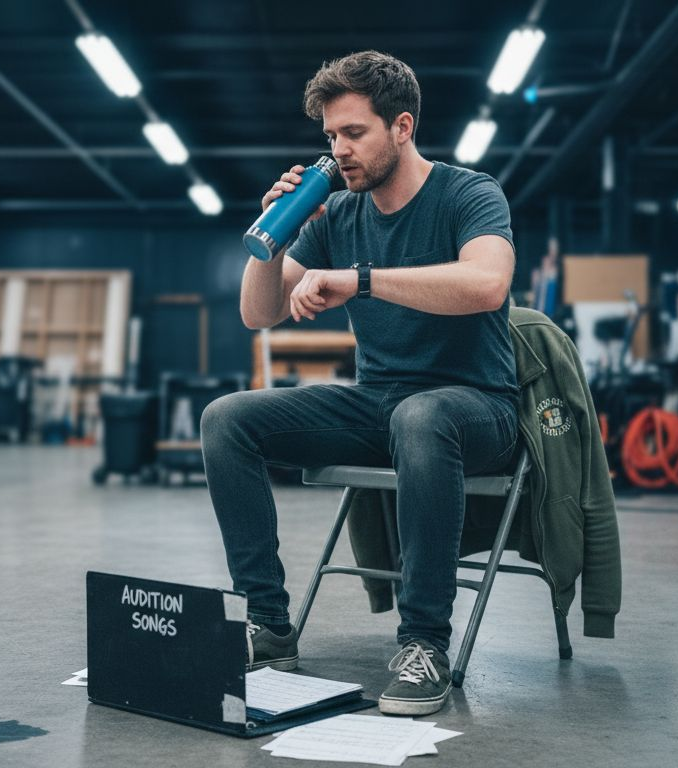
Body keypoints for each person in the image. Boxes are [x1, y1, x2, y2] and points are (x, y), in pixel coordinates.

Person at [200, 50, 519, 717]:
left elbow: (488, 284)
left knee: (422, 416)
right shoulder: (339, 215)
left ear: (401, 127)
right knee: (227, 418)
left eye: (354, 133)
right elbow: (259, 314)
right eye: (330, 137)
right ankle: (268, 625)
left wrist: (361, 279)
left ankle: (425, 643)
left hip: (478, 409)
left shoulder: (469, 194)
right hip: (381, 407)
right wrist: (275, 239)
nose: (338, 150)